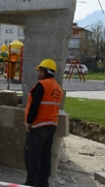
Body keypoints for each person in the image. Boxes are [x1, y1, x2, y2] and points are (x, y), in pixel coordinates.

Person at [23, 59, 63, 187]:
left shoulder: (42, 85)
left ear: (44, 71)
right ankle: (43, 183)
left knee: (32, 155)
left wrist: (28, 122)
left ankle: (31, 183)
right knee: (45, 156)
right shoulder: (57, 88)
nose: (38, 73)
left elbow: (34, 106)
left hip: (39, 125)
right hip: (51, 125)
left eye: (39, 70)